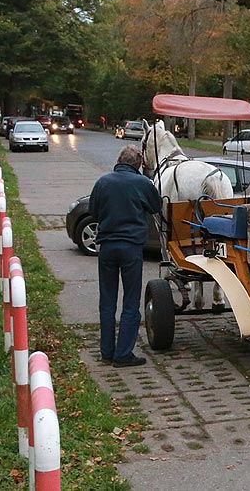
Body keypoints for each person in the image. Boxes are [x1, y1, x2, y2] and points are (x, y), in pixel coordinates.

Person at [89, 145, 162, 367]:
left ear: (119, 160)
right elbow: (156, 206)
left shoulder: (103, 182)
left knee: (107, 301)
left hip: (107, 247)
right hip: (131, 248)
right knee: (131, 301)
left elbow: (93, 211)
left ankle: (107, 351)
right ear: (138, 164)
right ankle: (123, 354)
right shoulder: (142, 184)